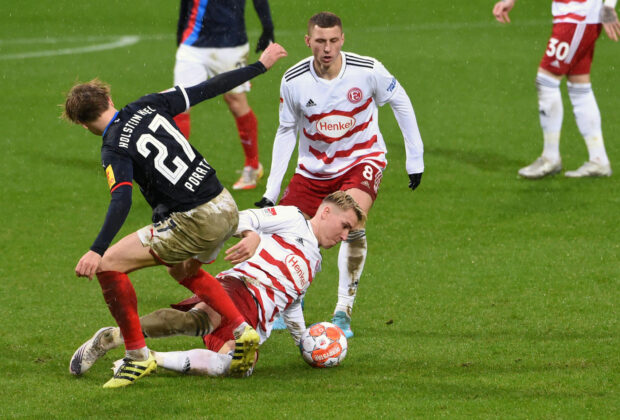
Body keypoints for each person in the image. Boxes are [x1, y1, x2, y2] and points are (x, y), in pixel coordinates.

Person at [63, 42, 287, 388]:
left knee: (110, 264)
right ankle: (242, 329)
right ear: (109, 99)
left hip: (194, 219)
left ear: (82, 124)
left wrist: (96, 249)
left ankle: (137, 356)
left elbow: (121, 200)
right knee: (182, 268)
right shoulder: (149, 103)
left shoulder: (113, 148)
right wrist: (259, 66)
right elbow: (208, 88)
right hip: (225, 205)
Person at [254, 12, 425, 338]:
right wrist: (271, 191)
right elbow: (286, 130)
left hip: (362, 160)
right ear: (308, 42)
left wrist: (414, 159)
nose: (327, 48)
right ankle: (294, 299)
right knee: (288, 234)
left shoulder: (368, 70)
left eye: (333, 41)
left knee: (350, 218)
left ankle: (343, 311)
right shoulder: (293, 80)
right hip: (312, 169)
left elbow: (400, 101)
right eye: (320, 41)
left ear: (342, 40)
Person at [69, 191, 366, 378]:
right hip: (243, 287)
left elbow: (291, 304)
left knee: (236, 367)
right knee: (199, 321)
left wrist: (304, 342)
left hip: (257, 319)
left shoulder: (315, 261)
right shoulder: (292, 218)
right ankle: (129, 347)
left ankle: (127, 344)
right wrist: (252, 235)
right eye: (345, 226)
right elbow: (242, 218)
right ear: (326, 212)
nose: (344, 236)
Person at [493, 0, 619, 178]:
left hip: (578, 16)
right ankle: (599, 160)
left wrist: (609, 6)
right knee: (578, 84)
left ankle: (550, 158)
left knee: (546, 81)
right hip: (573, 15)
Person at [173, 0, 276, 190]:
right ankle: (177, 172)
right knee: (180, 104)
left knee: (236, 102)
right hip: (192, 45)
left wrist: (267, 27)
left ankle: (253, 166)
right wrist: (180, 34)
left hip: (231, 44)